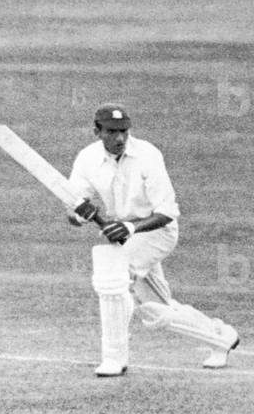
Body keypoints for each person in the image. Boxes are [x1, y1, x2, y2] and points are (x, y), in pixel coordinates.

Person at [67, 103, 240, 377]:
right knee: (155, 310)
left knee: (112, 275)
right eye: (111, 132)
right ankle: (221, 338)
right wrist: (80, 215)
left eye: (124, 131)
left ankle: (114, 358)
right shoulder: (86, 159)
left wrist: (130, 227)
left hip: (156, 232)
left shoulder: (148, 155)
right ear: (96, 132)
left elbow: (167, 213)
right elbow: (73, 211)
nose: (120, 138)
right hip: (124, 238)